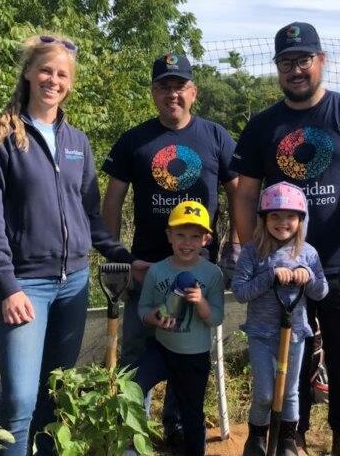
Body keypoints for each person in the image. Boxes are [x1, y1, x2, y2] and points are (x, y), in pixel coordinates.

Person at [0, 34, 147, 456]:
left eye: (62, 74)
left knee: (55, 395)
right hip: (26, 287)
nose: (53, 79)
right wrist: (8, 286)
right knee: (18, 401)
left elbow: (89, 214)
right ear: (30, 73)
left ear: (70, 83)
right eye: (46, 70)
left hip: (74, 284)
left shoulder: (77, 142)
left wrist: (122, 256)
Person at [230, 22, 340, 455]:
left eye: (303, 59)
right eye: (286, 62)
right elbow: (245, 194)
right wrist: (255, 253)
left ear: (321, 61)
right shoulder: (264, 125)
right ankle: (291, 439)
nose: (295, 69)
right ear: (277, 69)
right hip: (283, 268)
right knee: (290, 356)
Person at [101, 53, 239, 445]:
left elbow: (238, 192)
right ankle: (131, 434)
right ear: (153, 93)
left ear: (193, 91)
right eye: (164, 86)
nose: (172, 94)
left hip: (197, 271)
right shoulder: (135, 140)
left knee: (188, 355)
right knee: (136, 354)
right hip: (146, 269)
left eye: (179, 86)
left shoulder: (215, 137)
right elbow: (112, 202)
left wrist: (239, 246)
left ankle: (177, 428)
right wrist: (118, 259)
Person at [232, 182, 328, 456]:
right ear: (263, 219)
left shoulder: (308, 253)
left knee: (290, 392)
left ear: (301, 220)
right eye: (275, 215)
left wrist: (307, 276)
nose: (283, 222)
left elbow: (321, 292)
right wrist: (270, 276)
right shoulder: (253, 251)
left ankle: (287, 439)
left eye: (290, 216)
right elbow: (240, 291)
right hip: (261, 334)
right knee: (264, 393)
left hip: (296, 333)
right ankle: (256, 438)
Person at [133, 200, 224, 456]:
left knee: (191, 411)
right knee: (134, 387)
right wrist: (153, 317)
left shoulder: (212, 274)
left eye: (195, 236)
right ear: (169, 236)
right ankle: (134, 443)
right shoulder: (157, 271)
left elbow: (216, 318)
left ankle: (195, 450)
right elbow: (143, 310)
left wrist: (202, 303)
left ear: (205, 240)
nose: (187, 243)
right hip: (161, 348)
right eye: (180, 235)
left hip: (194, 355)